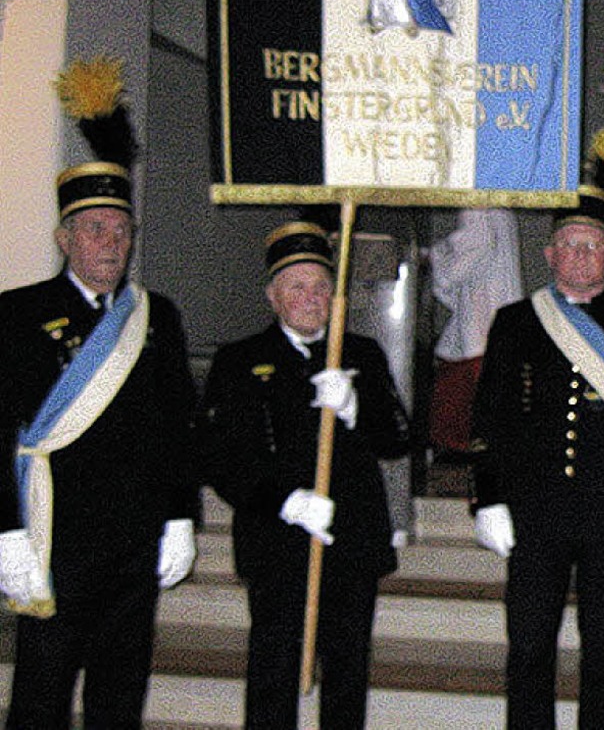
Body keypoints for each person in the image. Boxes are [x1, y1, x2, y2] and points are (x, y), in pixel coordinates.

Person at [0, 60, 197, 728]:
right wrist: (5, 534)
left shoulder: (156, 314)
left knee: (120, 698)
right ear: (64, 238)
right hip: (56, 538)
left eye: (121, 231)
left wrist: (179, 516)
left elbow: (178, 426)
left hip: (134, 541)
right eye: (94, 229)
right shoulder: (16, 314)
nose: (111, 243)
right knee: (40, 698)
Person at [197, 221, 410, 730]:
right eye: (296, 286)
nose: (311, 297)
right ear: (273, 296)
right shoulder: (240, 361)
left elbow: (398, 437)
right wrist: (286, 502)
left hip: (351, 542)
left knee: (347, 675)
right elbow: (221, 458)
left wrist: (356, 405)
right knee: (273, 674)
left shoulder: (362, 354)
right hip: (278, 542)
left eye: (321, 287)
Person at [469, 181, 604, 729]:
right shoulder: (516, 322)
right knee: (528, 649)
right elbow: (488, 418)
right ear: (549, 255)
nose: (582, 254)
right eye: (570, 243)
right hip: (535, 512)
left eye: (594, 245)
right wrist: (488, 499)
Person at [429, 208, 523, 454]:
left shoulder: (477, 207)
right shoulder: (502, 210)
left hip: (478, 328)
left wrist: (435, 255)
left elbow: (459, 266)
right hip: (488, 324)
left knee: (462, 426)